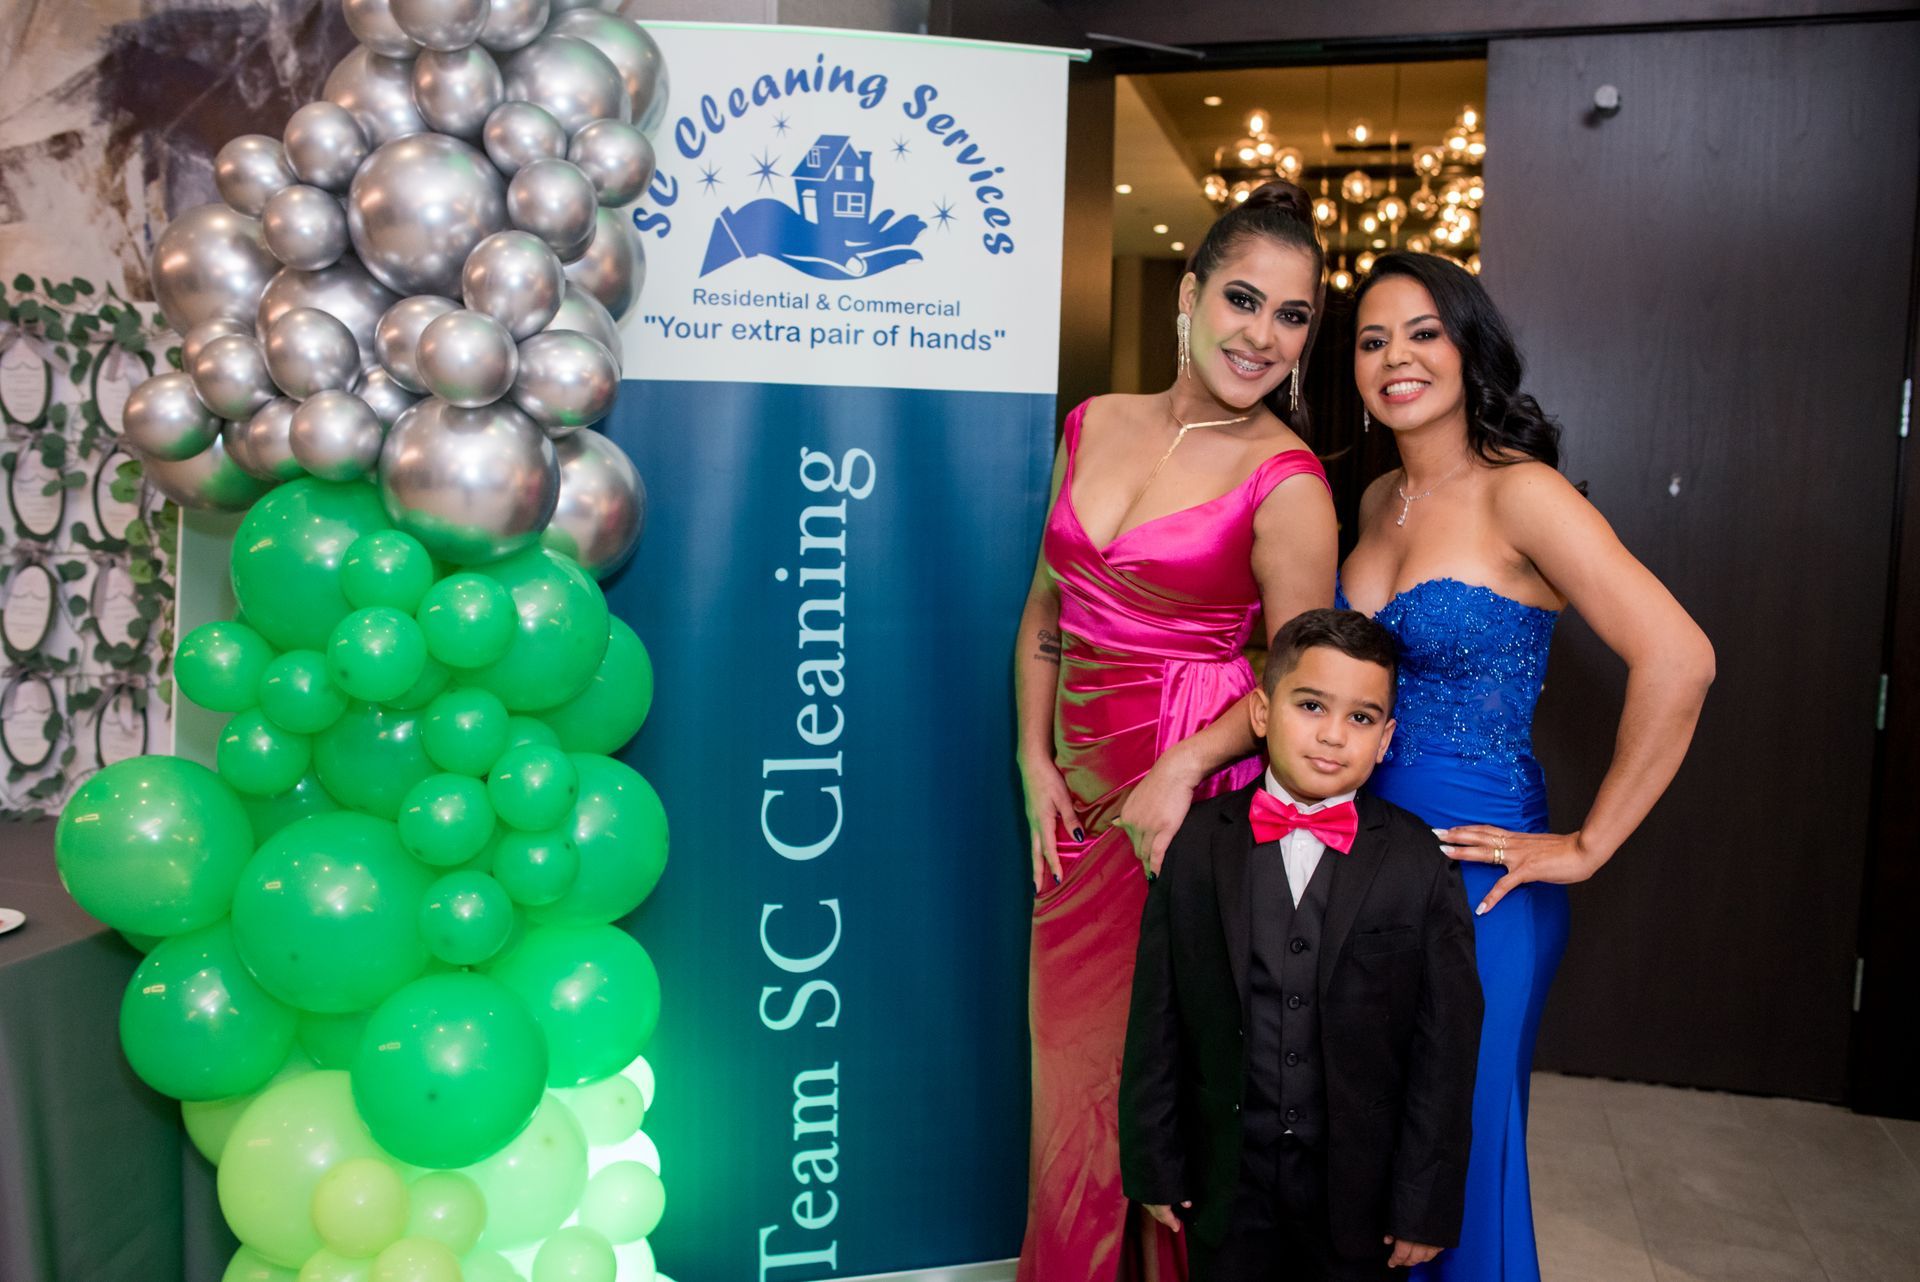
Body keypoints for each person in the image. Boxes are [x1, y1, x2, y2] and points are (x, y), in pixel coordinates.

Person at [1336, 251, 1715, 1281]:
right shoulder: (1376, 501)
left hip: (1481, 871)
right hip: (1367, 860)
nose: (1396, 357)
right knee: (1374, 1143)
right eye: (1373, 339)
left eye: (1422, 332)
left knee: (1457, 1144)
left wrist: (1589, 843)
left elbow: (1680, 657)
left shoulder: (1523, 493)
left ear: (1469, 347)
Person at [1014, 181, 1339, 1280]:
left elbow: (1302, 686)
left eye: (1291, 317)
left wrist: (1185, 767)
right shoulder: (1091, 421)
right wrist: (1029, 759)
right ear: (1190, 294)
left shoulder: (1288, 480)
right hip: (1077, 809)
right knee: (1069, 1087)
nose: (1261, 334)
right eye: (1243, 300)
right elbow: (1045, 619)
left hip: (1186, 811)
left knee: (1161, 1099)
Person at [1120, 608, 1482, 1282]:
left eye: (1362, 718)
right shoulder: (1196, 846)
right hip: (1227, 1186)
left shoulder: (1419, 863)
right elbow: (1157, 1017)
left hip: (1361, 1200)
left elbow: (1446, 1052)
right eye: (1312, 705)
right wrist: (1154, 1163)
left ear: (1387, 738)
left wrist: (1423, 1203)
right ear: (1261, 712)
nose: (1333, 735)